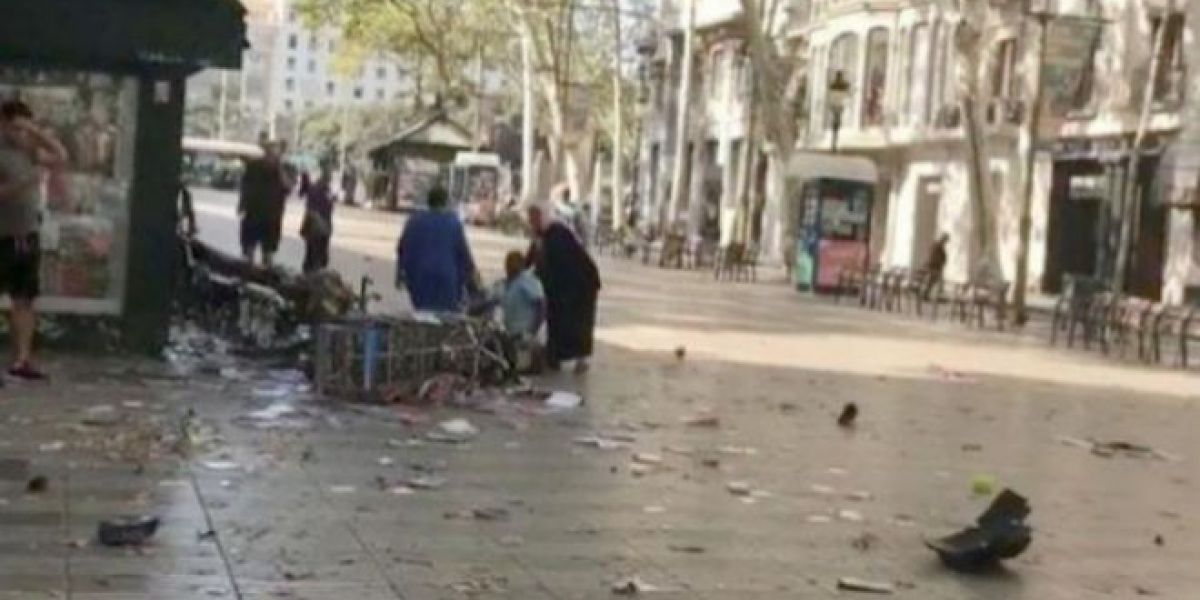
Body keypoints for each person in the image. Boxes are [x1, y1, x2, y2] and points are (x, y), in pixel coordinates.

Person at [0, 100, 67, 382]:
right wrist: (27, 181)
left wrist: (34, 131)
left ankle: (22, 359)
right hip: (1, 236)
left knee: (24, 299)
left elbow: (61, 155)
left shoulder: (28, 152)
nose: (21, 135)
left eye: (24, 129)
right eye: (16, 128)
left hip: (26, 236)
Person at [527, 203, 601, 373]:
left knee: (578, 321)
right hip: (565, 285)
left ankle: (580, 359)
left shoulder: (557, 235)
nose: (532, 224)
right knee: (557, 319)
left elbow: (555, 265)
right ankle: (556, 356)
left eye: (534, 220)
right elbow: (531, 259)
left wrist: (538, 278)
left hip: (582, 283)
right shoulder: (542, 235)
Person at [396, 186, 477, 312]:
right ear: (445, 202)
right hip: (447, 278)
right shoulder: (453, 222)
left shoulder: (414, 221)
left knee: (424, 313)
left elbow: (402, 248)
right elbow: (463, 253)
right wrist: (471, 275)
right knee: (445, 317)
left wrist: (400, 274)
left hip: (420, 278)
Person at [238, 141, 289, 267]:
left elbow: (288, 187)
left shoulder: (284, 170)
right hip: (253, 214)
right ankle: (248, 274)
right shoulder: (253, 167)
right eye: (269, 153)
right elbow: (245, 186)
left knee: (268, 253)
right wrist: (242, 204)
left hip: (272, 217)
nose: (271, 157)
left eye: (274, 154)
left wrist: (279, 167)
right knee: (248, 252)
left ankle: (266, 277)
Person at [300, 166, 335, 273]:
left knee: (319, 257)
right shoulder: (316, 189)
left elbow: (329, 207)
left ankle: (314, 275)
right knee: (314, 256)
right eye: (328, 177)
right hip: (315, 227)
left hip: (323, 227)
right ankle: (311, 278)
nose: (329, 180)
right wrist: (321, 223)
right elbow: (311, 209)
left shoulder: (326, 190)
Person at [923, 233, 949, 300]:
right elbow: (934, 256)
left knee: (934, 281)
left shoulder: (939, 246)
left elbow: (942, 256)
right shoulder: (936, 245)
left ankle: (929, 294)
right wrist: (940, 262)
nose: (946, 242)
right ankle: (926, 294)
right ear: (943, 238)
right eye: (945, 240)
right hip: (933, 266)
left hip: (937, 267)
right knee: (931, 281)